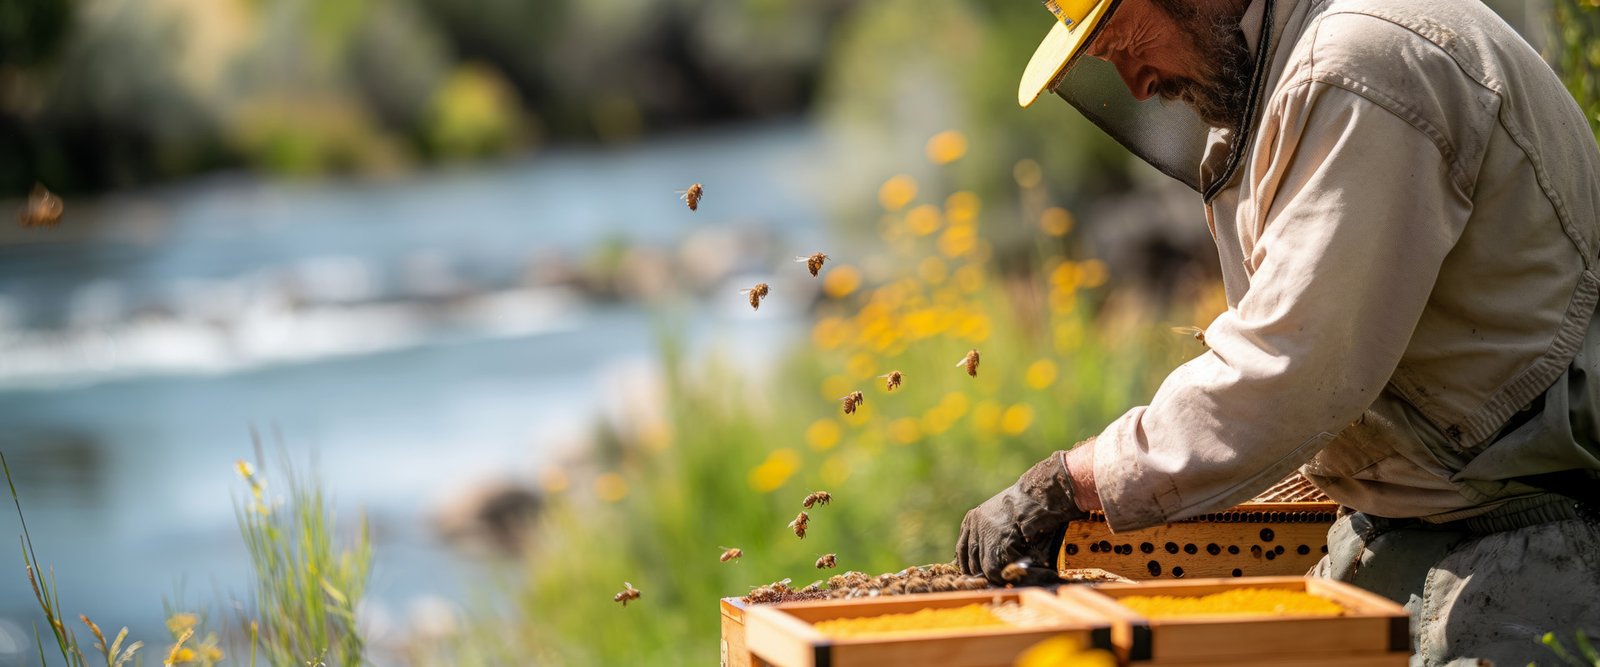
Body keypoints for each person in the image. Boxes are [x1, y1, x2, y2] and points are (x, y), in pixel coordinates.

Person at [954, 0, 1600, 663]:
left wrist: (1072, 478)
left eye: (1125, 42)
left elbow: (1293, 363)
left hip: (1525, 542)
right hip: (1423, 526)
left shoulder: (1356, 66)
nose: (1136, 86)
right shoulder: (1304, 62)